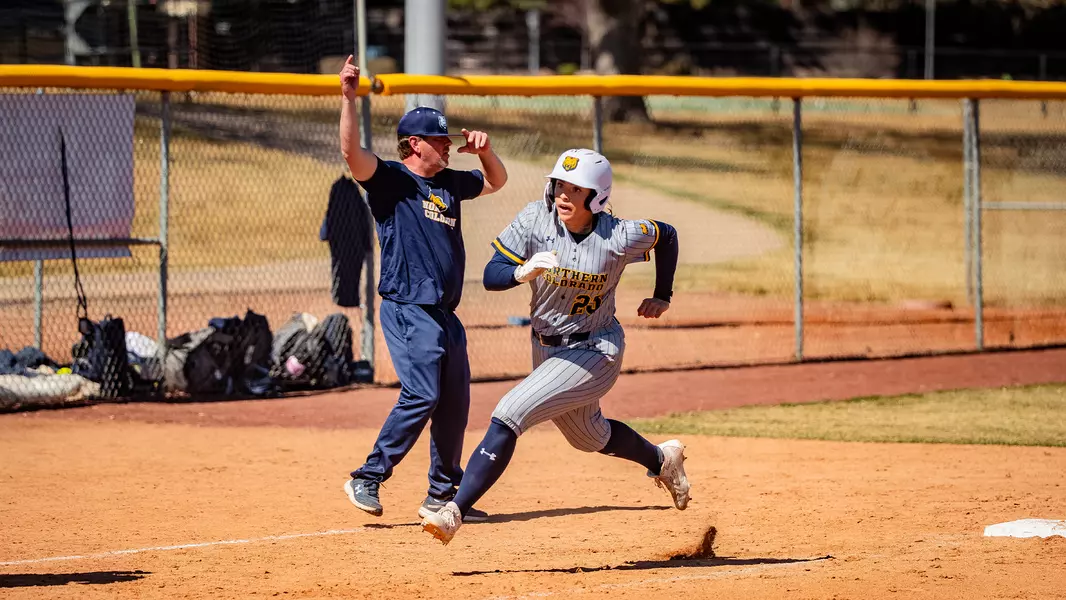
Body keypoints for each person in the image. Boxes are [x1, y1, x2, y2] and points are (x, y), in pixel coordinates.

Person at [421, 148, 689, 545]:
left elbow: (667, 235)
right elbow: (492, 275)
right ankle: (662, 460)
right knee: (589, 437)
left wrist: (662, 294)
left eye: (575, 189)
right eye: (560, 185)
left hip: (596, 349)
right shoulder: (535, 220)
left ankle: (452, 510)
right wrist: (519, 271)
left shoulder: (619, 236)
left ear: (596, 196)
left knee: (511, 411)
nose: (563, 195)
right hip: (546, 348)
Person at [337, 56, 509, 521]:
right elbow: (352, 154)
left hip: (445, 315)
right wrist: (349, 98)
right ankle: (367, 477)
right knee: (421, 395)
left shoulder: (451, 183)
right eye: (439, 140)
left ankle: (443, 494)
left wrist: (486, 150)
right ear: (414, 144)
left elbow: (497, 181)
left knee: (454, 402)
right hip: (409, 308)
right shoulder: (392, 181)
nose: (447, 146)